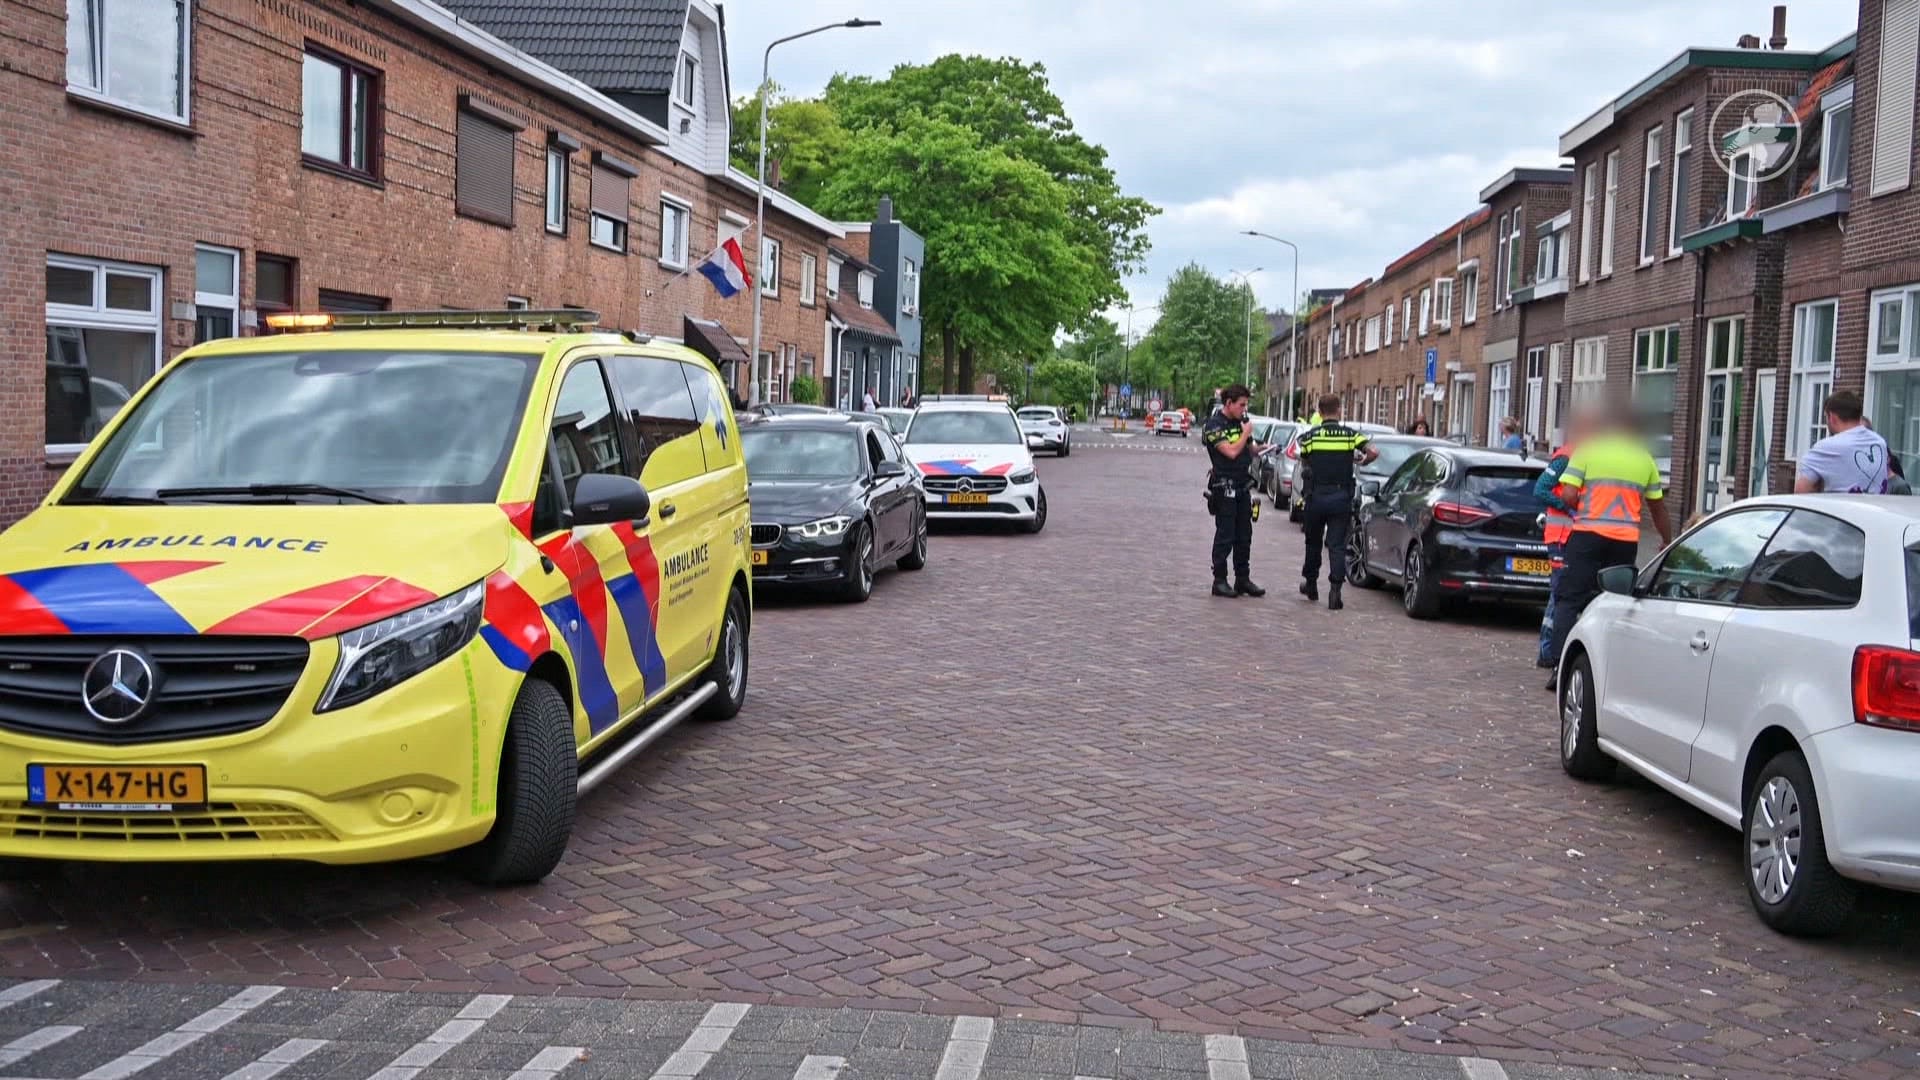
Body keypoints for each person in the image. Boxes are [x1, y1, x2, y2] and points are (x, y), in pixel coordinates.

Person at [1546, 406, 1673, 689]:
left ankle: (1559, 668)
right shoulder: (1644, 459)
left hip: (1586, 537)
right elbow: (1658, 507)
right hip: (1624, 542)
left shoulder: (1588, 451)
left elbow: (1567, 493)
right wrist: (1668, 540)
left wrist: (1586, 508)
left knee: (1568, 600)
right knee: (1616, 603)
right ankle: (1610, 673)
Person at [1531, 406, 1600, 670]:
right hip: (1560, 535)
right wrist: (1568, 507)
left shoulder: (1587, 456)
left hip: (1574, 536)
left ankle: (1550, 649)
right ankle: (1547, 651)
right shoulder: (1567, 457)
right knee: (1560, 593)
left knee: (1562, 592)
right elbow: (1541, 489)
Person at [1296, 393, 1379, 610]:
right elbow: (1374, 451)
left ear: (1320, 412)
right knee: (1336, 544)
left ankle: (1311, 584)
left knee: (1313, 542)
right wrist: (1361, 459)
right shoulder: (1350, 436)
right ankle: (1335, 591)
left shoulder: (1311, 436)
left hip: (1316, 497)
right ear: (1339, 410)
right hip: (1341, 497)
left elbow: (1305, 460)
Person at [1201, 384, 1271, 598]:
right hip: (1225, 487)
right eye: (1241, 405)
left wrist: (1262, 448)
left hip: (1242, 486)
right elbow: (1230, 452)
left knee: (1244, 535)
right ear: (1229, 403)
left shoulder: (1240, 424)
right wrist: (1245, 434)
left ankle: (1242, 579)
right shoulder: (1214, 426)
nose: (1244, 409)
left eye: (1246, 405)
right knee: (1225, 535)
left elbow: (1248, 449)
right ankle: (1220, 580)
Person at [1796, 390, 1891, 494]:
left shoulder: (1826, 447)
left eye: (1825, 417)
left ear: (1832, 417)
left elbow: (1801, 490)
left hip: (1838, 509)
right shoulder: (1879, 442)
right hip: (1875, 509)